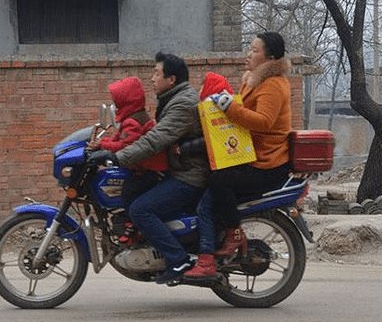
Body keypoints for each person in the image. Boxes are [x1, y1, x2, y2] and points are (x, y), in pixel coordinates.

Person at [88, 52, 209, 284]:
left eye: (156, 73)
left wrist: (117, 157)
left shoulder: (182, 103)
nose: (152, 78)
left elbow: (154, 140)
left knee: (141, 209)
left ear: (171, 79)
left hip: (189, 175)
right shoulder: (173, 98)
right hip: (180, 169)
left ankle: (178, 259)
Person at [184, 31, 292, 279]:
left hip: (268, 162)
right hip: (251, 154)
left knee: (217, 180)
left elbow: (263, 122)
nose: (249, 55)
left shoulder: (273, 85)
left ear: (270, 57)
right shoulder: (255, 80)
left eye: (255, 51)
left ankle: (231, 235)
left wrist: (229, 107)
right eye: (250, 49)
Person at [87, 76, 168, 211]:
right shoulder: (131, 118)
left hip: (151, 170)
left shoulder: (133, 122)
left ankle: (130, 224)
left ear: (125, 102)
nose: (115, 106)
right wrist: (99, 143)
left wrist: (102, 145)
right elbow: (117, 139)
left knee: (129, 190)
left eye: (117, 102)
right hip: (143, 168)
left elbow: (126, 147)